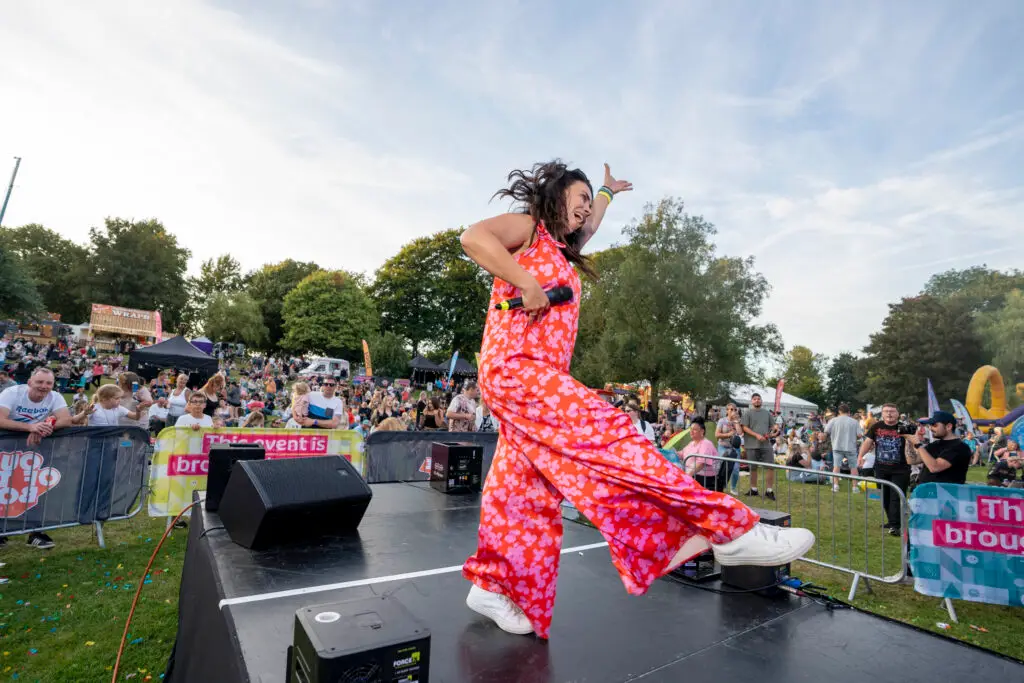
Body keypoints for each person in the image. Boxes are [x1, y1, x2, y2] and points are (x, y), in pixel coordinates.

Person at [458, 160, 814, 638]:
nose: (585, 212)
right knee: (611, 436)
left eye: (588, 207)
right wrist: (525, 282)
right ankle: (729, 531)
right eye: (579, 200)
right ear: (555, 196)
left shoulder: (565, 249)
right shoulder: (530, 230)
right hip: (517, 370)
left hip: (531, 381)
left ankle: (493, 584)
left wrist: (605, 192)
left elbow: (593, 222)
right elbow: (472, 237)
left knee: (522, 495)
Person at [0, 367, 72, 549]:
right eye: (40, 382)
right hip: (6, 448)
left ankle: (36, 532)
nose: (44, 386)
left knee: (35, 489)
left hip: (35, 449)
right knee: (4, 487)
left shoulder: (55, 396)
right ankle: (2, 532)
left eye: (48, 383)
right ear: (30, 382)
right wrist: (31, 427)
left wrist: (45, 427)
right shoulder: (12, 393)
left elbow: (66, 420)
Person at [858, 403, 916, 535]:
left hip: (901, 468)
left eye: (892, 411)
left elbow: (913, 441)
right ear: (882, 414)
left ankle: (896, 526)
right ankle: (891, 521)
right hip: (881, 468)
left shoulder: (904, 427)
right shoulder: (876, 427)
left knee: (896, 496)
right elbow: (867, 442)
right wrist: (860, 456)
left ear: (897, 413)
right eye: (886, 411)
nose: (889, 414)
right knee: (885, 496)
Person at [906, 411, 973, 485]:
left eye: (934, 425)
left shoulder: (960, 447)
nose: (931, 428)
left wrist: (918, 445)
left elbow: (935, 468)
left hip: (945, 494)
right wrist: (909, 441)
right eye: (930, 425)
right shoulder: (934, 444)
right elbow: (912, 460)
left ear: (948, 426)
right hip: (925, 491)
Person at [740, 393, 778, 500]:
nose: (757, 401)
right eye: (755, 399)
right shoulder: (747, 413)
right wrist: (756, 435)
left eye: (758, 399)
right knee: (753, 468)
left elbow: (773, 425)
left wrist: (775, 429)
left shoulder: (767, 413)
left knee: (771, 467)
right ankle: (754, 489)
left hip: (766, 445)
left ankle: (769, 491)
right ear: (752, 401)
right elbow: (745, 428)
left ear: (761, 401)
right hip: (751, 445)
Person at [825, 403, 863, 492]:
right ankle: (855, 487)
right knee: (853, 467)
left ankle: (836, 486)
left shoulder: (833, 420)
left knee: (836, 466)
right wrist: (854, 437)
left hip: (837, 446)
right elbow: (860, 435)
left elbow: (826, 431)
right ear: (849, 411)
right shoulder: (854, 421)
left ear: (839, 411)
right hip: (851, 447)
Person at [682, 417, 722, 491]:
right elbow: (682, 453)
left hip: (704, 477)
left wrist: (687, 475)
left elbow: (701, 463)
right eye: (690, 429)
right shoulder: (692, 443)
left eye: (694, 429)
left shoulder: (706, 444)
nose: (691, 431)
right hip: (695, 474)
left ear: (702, 431)